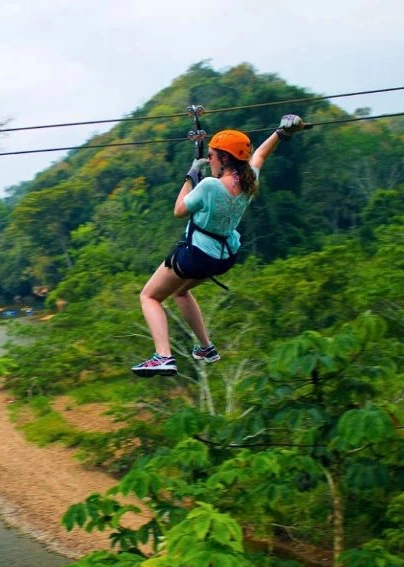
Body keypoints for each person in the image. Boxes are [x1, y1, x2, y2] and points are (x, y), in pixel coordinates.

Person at [131, 114, 306, 377]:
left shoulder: (211, 186)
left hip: (196, 254)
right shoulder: (250, 181)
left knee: (149, 296)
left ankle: (163, 356)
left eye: (211, 155)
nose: (209, 160)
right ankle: (206, 347)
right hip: (223, 257)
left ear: (224, 158)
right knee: (180, 292)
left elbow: (179, 210)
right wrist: (281, 133)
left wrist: (191, 175)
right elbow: (260, 155)